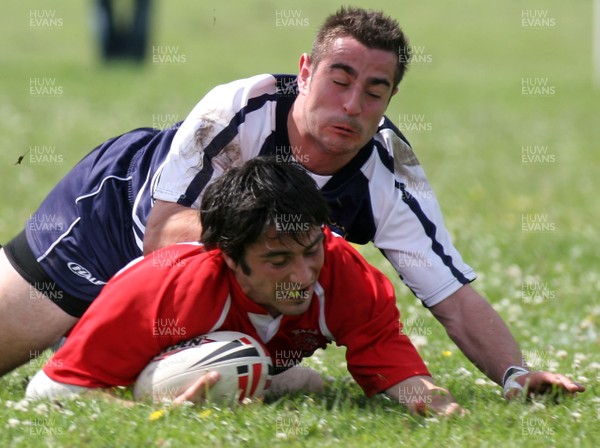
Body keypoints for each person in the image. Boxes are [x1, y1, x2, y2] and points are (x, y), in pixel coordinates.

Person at [0, 7, 584, 400]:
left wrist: (513, 375)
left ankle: (232, 361)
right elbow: (162, 233)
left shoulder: (387, 172)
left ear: (390, 99)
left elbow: (452, 295)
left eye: (374, 90)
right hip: (107, 222)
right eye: (340, 77)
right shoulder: (237, 110)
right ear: (305, 72)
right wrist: (290, 245)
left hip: (199, 281)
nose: (352, 104)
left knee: (221, 365)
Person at [25, 158, 462, 416]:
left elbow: (389, 358)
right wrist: (146, 409)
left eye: (311, 249)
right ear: (230, 258)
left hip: (253, 353)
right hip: (109, 329)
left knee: (305, 382)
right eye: (277, 260)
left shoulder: (342, 271)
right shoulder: (164, 292)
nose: (303, 275)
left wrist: (435, 404)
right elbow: (50, 390)